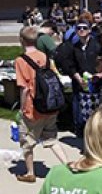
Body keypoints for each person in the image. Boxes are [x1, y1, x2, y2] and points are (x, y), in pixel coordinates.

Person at [14, 26, 68, 183]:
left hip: (33, 108)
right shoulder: (43, 56)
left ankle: (30, 172)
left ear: (22, 40)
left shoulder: (20, 60)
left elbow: (24, 88)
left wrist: (23, 108)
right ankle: (68, 165)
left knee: (27, 142)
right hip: (49, 105)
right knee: (51, 138)